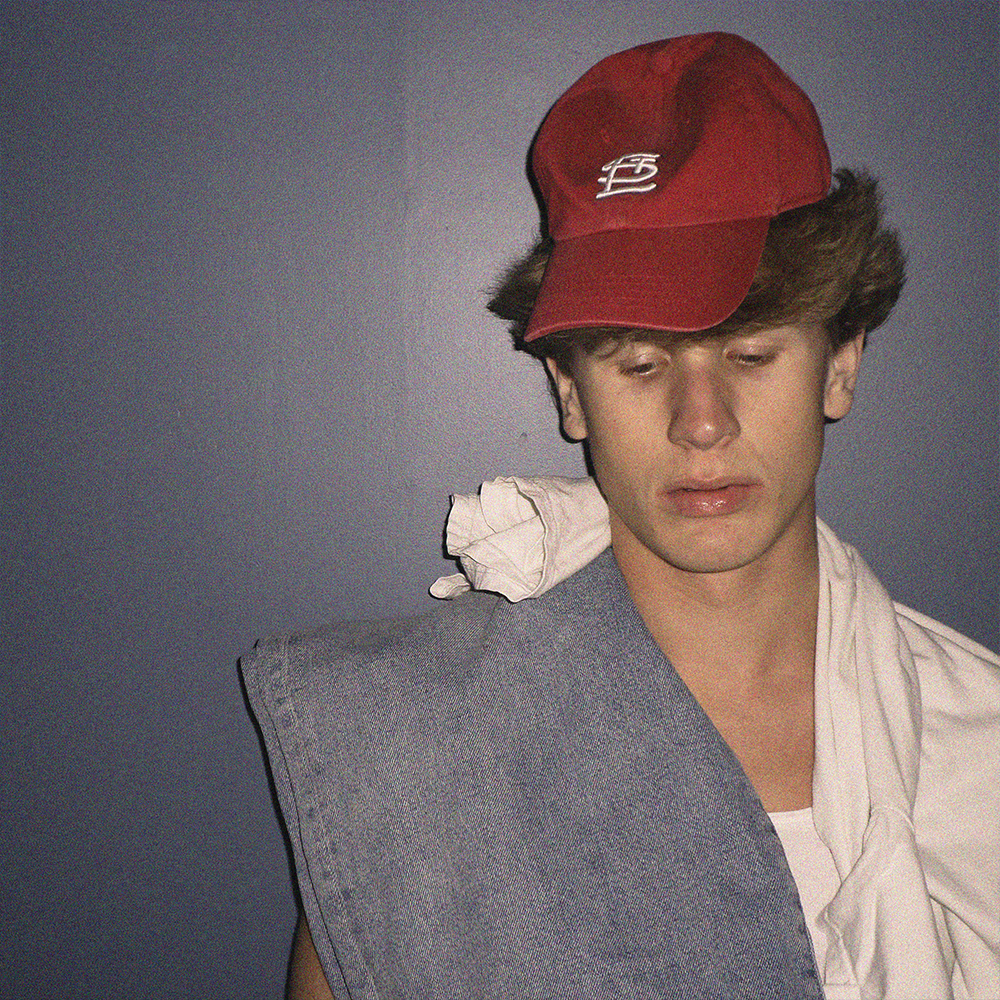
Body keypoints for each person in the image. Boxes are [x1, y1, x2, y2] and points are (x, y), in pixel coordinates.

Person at [242, 32, 1000, 1000]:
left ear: (840, 362)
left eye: (752, 353)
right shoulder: (416, 755)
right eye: (639, 362)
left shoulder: (975, 747)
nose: (701, 421)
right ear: (570, 392)